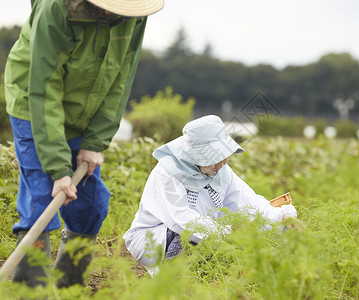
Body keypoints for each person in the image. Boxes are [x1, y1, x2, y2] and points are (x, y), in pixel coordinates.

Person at [4, 0, 164, 287]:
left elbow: (121, 78)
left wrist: (94, 142)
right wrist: (58, 169)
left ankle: (70, 288)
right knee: (41, 199)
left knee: (92, 204)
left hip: (85, 113)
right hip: (34, 104)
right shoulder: (56, 8)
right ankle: (31, 290)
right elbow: (44, 85)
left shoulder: (133, 13)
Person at [123, 115, 299, 276]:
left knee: (265, 230)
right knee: (185, 238)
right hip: (154, 236)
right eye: (215, 157)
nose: (222, 163)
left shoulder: (222, 171)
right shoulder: (168, 171)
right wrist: (229, 233)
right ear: (195, 155)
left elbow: (249, 202)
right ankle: (177, 282)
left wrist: (283, 215)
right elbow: (180, 220)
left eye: (224, 156)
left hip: (208, 232)